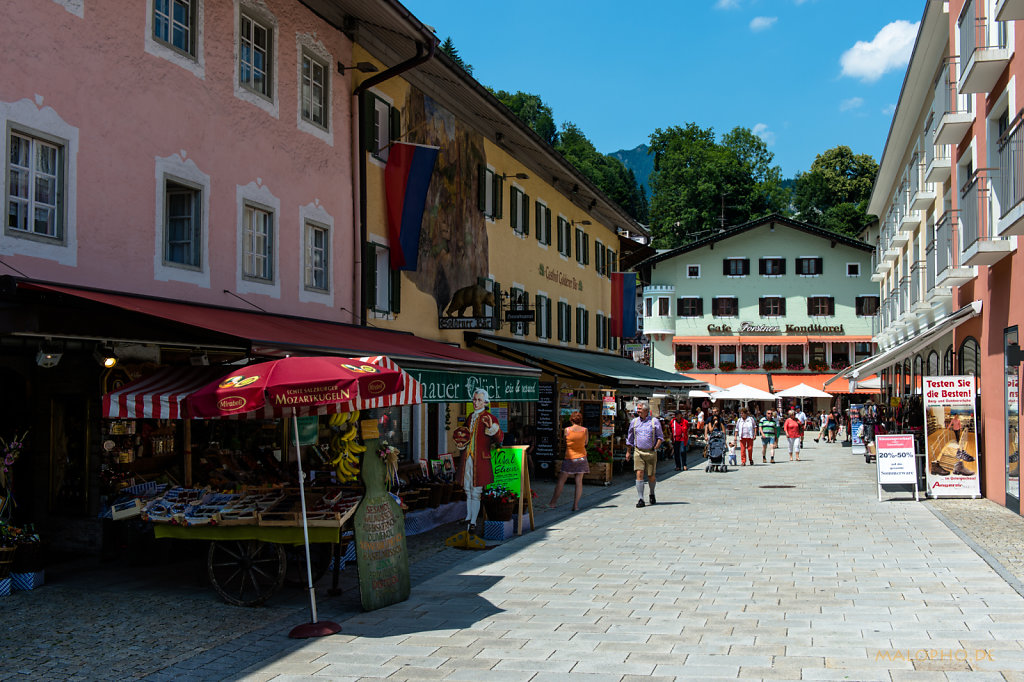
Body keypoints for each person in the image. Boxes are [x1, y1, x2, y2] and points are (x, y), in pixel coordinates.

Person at [453, 388, 503, 532]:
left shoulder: (490, 418)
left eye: (479, 400)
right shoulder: (470, 417)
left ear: (485, 402)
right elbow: (465, 436)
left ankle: (474, 521)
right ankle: (469, 516)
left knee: (476, 491)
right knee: (468, 489)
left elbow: (499, 438)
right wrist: (461, 443)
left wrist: (491, 427)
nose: (476, 402)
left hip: (480, 460)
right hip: (468, 458)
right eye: (474, 399)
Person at [626, 401, 664, 508]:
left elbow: (660, 437)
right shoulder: (634, 422)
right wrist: (628, 452)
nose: (638, 411)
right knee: (639, 473)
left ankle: (651, 493)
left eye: (640, 409)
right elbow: (630, 438)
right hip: (638, 451)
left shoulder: (654, 421)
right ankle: (641, 498)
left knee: (651, 475)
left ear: (646, 411)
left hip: (650, 451)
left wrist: (656, 446)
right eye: (637, 409)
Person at [548, 411, 588, 511]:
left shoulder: (567, 430)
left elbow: (564, 441)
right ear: (580, 420)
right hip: (582, 457)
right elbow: (586, 443)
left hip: (569, 457)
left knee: (561, 481)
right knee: (579, 482)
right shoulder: (585, 430)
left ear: (571, 420)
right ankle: (575, 505)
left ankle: (553, 503)